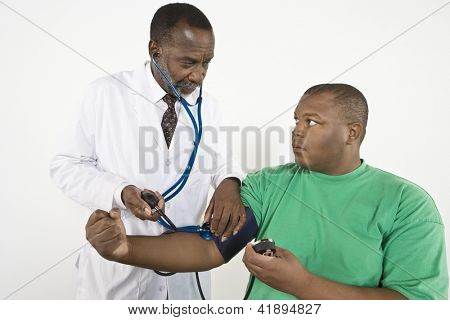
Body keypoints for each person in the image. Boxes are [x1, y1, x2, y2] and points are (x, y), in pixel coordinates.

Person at [85, 84, 448, 299]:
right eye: (296, 121)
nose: (297, 131)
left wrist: (304, 285)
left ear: (352, 133)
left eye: (312, 122)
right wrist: (123, 248)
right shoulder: (266, 184)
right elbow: (210, 247)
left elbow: (417, 305)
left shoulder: (406, 204)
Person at [50, 3, 245, 299]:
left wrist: (230, 183)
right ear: (155, 50)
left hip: (185, 276)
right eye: (189, 62)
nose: (199, 75)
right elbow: (67, 166)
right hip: (121, 276)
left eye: (206, 63)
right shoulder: (104, 94)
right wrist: (120, 191)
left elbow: (218, 161)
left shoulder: (208, 106)